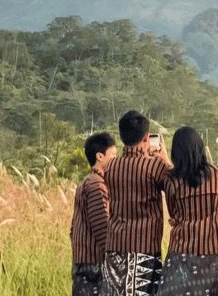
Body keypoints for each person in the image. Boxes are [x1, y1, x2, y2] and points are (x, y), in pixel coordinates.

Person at [157, 126, 218, 296]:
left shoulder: (171, 182)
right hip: (215, 251)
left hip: (182, 252)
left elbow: (174, 213)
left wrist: (165, 162)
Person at [103, 110, 171, 296]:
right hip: (144, 248)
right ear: (147, 137)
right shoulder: (155, 166)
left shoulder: (110, 166)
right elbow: (176, 191)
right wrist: (165, 160)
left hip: (114, 247)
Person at [71, 132, 117, 296]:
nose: (115, 160)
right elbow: (103, 229)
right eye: (112, 155)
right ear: (100, 156)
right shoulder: (97, 184)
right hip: (94, 265)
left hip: (84, 263)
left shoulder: (86, 182)